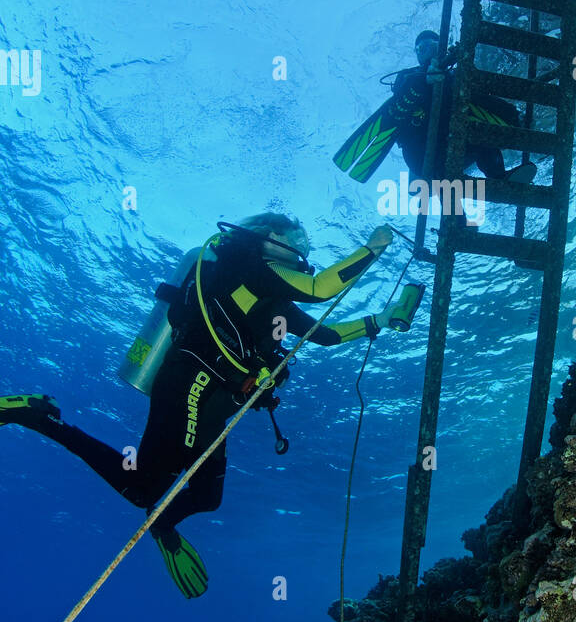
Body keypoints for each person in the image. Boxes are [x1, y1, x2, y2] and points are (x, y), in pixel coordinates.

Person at [0, 215, 417, 597]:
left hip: (215, 399)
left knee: (205, 495)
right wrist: (373, 246)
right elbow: (322, 288)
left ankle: (160, 523)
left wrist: (379, 321)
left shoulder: (275, 297)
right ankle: (38, 417)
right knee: (144, 486)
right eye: (297, 238)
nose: (304, 247)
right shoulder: (246, 265)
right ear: (271, 237)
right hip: (191, 381)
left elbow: (323, 335)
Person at [334, 30, 537, 187]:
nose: (427, 51)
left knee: (480, 136)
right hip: (422, 156)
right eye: (421, 48)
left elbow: (483, 101)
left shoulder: (455, 77)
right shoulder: (407, 78)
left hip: (456, 144)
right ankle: (457, 223)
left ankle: (500, 177)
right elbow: (398, 105)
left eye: (432, 45)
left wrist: (513, 116)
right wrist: (424, 80)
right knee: (443, 181)